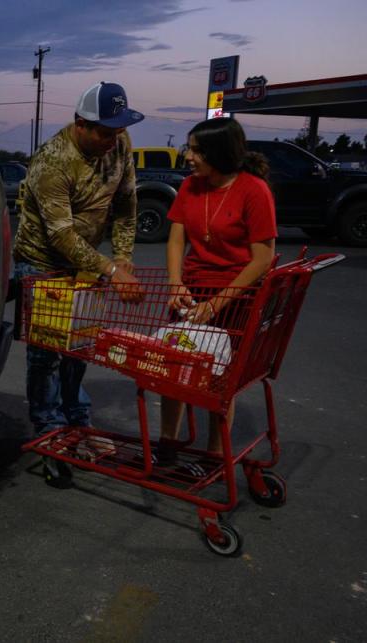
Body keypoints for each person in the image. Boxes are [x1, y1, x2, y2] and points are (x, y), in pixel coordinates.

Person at [13, 81, 145, 487]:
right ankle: (49, 428)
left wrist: (122, 256)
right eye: (105, 132)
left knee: (82, 346)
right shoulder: (53, 162)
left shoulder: (118, 144)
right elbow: (62, 236)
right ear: (80, 124)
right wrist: (110, 271)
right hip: (44, 264)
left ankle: (77, 418)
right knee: (47, 354)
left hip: (89, 265)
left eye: (118, 130)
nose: (113, 140)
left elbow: (126, 206)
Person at [158, 117, 276, 477]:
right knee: (172, 367)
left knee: (217, 381)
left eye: (196, 150)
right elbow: (177, 238)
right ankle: (167, 444)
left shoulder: (253, 191)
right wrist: (176, 283)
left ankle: (212, 455)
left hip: (235, 296)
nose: (188, 157)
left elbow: (263, 259)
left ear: (219, 153)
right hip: (194, 292)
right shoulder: (191, 187)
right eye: (189, 148)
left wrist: (217, 304)